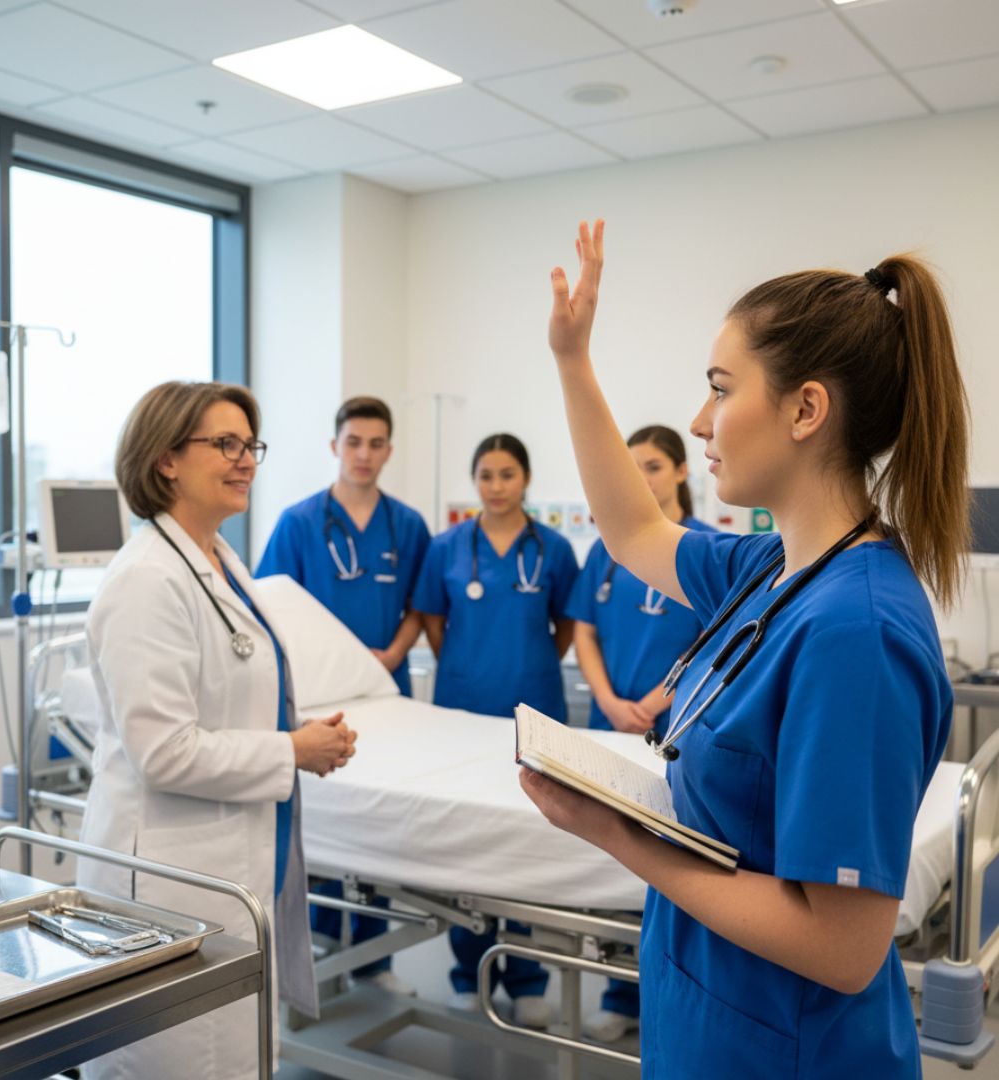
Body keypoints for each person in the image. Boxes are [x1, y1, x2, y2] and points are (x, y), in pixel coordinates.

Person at [522, 220, 968, 1078]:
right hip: (713, 1023)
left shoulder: (856, 632)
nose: (699, 421)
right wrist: (573, 362)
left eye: (721, 389)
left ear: (806, 408)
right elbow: (633, 529)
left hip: (790, 1052)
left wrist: (619, 831)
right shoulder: (774, 569)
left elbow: (844, 948)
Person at [77, 381, 356, 1080]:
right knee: (174, 1061)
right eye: (224, 444)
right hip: (167, 879)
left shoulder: (220, 562)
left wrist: (298, 741)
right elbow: (163, 753)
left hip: (219, 865)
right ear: (166, 458)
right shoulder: (146, 579)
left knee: (228, 1053)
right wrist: (292, 750)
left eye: (250, 445)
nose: (245, 461)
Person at [255, 395, 429, 994]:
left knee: (378, 821)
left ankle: (375, 962)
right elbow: (270, 608)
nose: (364, 454)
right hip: (317, 701)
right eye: (353, 442)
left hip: (385, 691)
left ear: (389, 450)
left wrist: (394, 654)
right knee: (327, 827)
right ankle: (323, 954)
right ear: (335, 446)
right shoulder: (299, 523)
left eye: (376, 443)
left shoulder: (407, 526)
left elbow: (421, 608)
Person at [413, 433, 580, 1027]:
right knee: (468, 841)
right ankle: (468, 969)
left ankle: (528, 973)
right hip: (463, 704)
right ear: (475, 481)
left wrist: (527, 660)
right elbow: (434, 620)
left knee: (530, 841)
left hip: (533, 704)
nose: (496, 485)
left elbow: (565, 626)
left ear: (525, 479)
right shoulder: (447, 547)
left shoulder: (554, 549)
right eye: (485, 475)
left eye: (507, 474)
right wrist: (464, 662)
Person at [565, 423, 714, 1043]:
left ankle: (655, 994)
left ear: (681, 471)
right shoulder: (610, 547)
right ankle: (614, 993)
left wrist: (653, 702)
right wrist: (607, 699)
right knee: (608, 866)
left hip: (674, 732)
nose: (640, 479)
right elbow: (584, 630)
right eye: (632, 467)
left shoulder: (708, 549)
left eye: (652, 466)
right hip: (611, 722)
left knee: (660, 867)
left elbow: (722, 646)